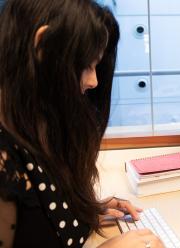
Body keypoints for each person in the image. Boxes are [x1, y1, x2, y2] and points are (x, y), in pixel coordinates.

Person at [0, 0, 164, 247]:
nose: (94, 81)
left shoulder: (35, 125)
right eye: (87, 65)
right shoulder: (4, 158)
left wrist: (81, 211)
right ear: (43, 45)